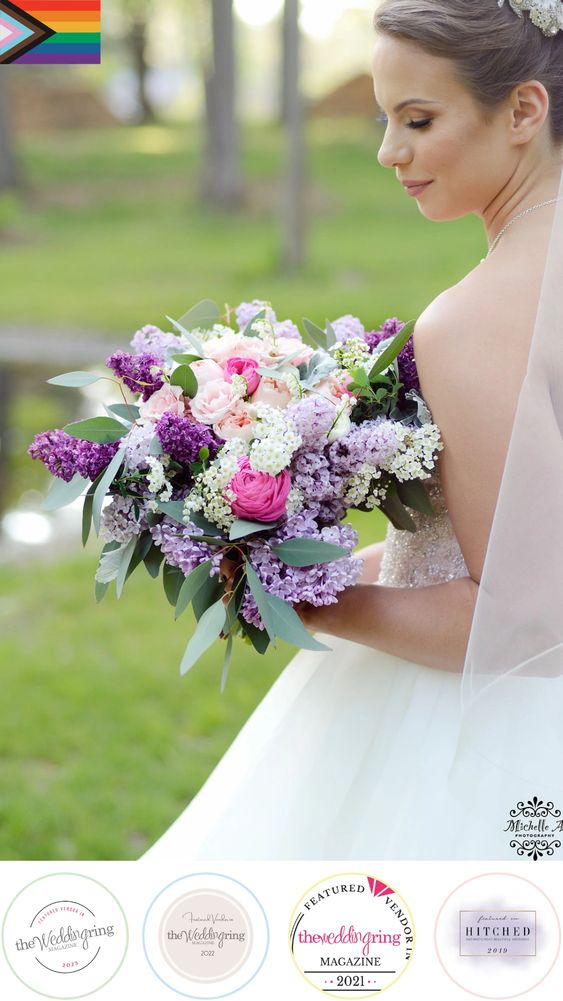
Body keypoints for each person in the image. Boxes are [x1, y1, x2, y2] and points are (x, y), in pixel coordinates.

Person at [142, 0, 563, 861]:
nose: (387, 152)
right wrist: (299, 553)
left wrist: (300, 591)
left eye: (417, 119)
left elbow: (524, 617)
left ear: (523, 111)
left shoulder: (474, 322)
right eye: (383, 118)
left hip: (498, 741)